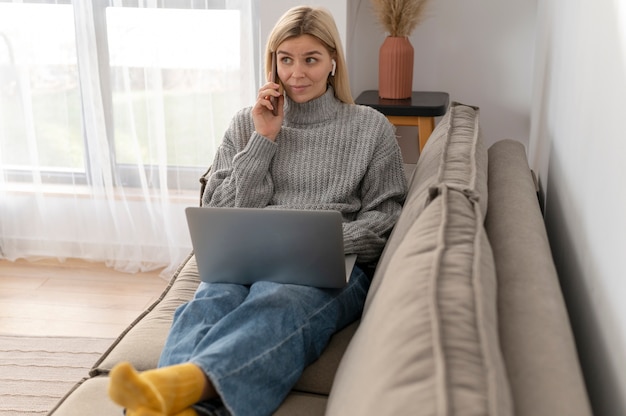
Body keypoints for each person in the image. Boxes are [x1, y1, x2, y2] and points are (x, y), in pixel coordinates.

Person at [107, 5, 407, 416]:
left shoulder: (370, 128)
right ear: (273, 62)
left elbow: (385, 217)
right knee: (210, 298)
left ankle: (173, 390)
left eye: (311, 60)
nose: (296, 73)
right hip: (247, 260)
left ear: (334, 61)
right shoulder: (245, 125)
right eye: (286, 60)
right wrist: (263, 140)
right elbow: (218, 212)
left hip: (333, 265)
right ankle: (179, 407)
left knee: (278, 297)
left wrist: (315, 242)